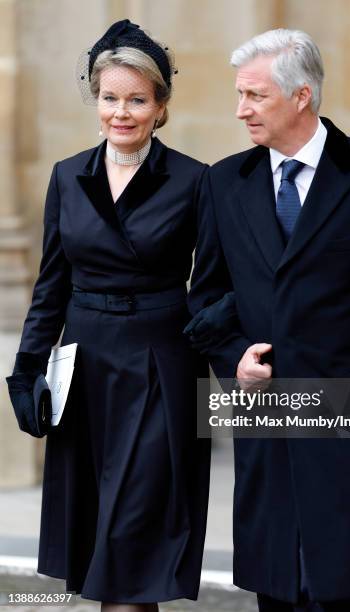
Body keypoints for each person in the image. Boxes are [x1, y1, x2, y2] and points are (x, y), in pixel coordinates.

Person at [187, 29, 350, 612]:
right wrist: (233, 358)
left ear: (301, 96)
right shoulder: (224, 182)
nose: (240, 110)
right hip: (264, 406)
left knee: (335, 585)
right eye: (239, 94)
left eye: (254, 95)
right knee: (274, 583)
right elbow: (204, 297)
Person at [6, 19, 210, 612]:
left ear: (161, 106)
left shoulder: (195, 181)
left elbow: (216, 285)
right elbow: (51, 286)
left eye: (137, 100)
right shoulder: (67, 177)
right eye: (110, 98)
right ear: (96, 101)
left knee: (134, 539)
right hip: (85, 368)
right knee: (101, 539)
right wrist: (25, 375)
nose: (121, 112)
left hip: (161, 367)